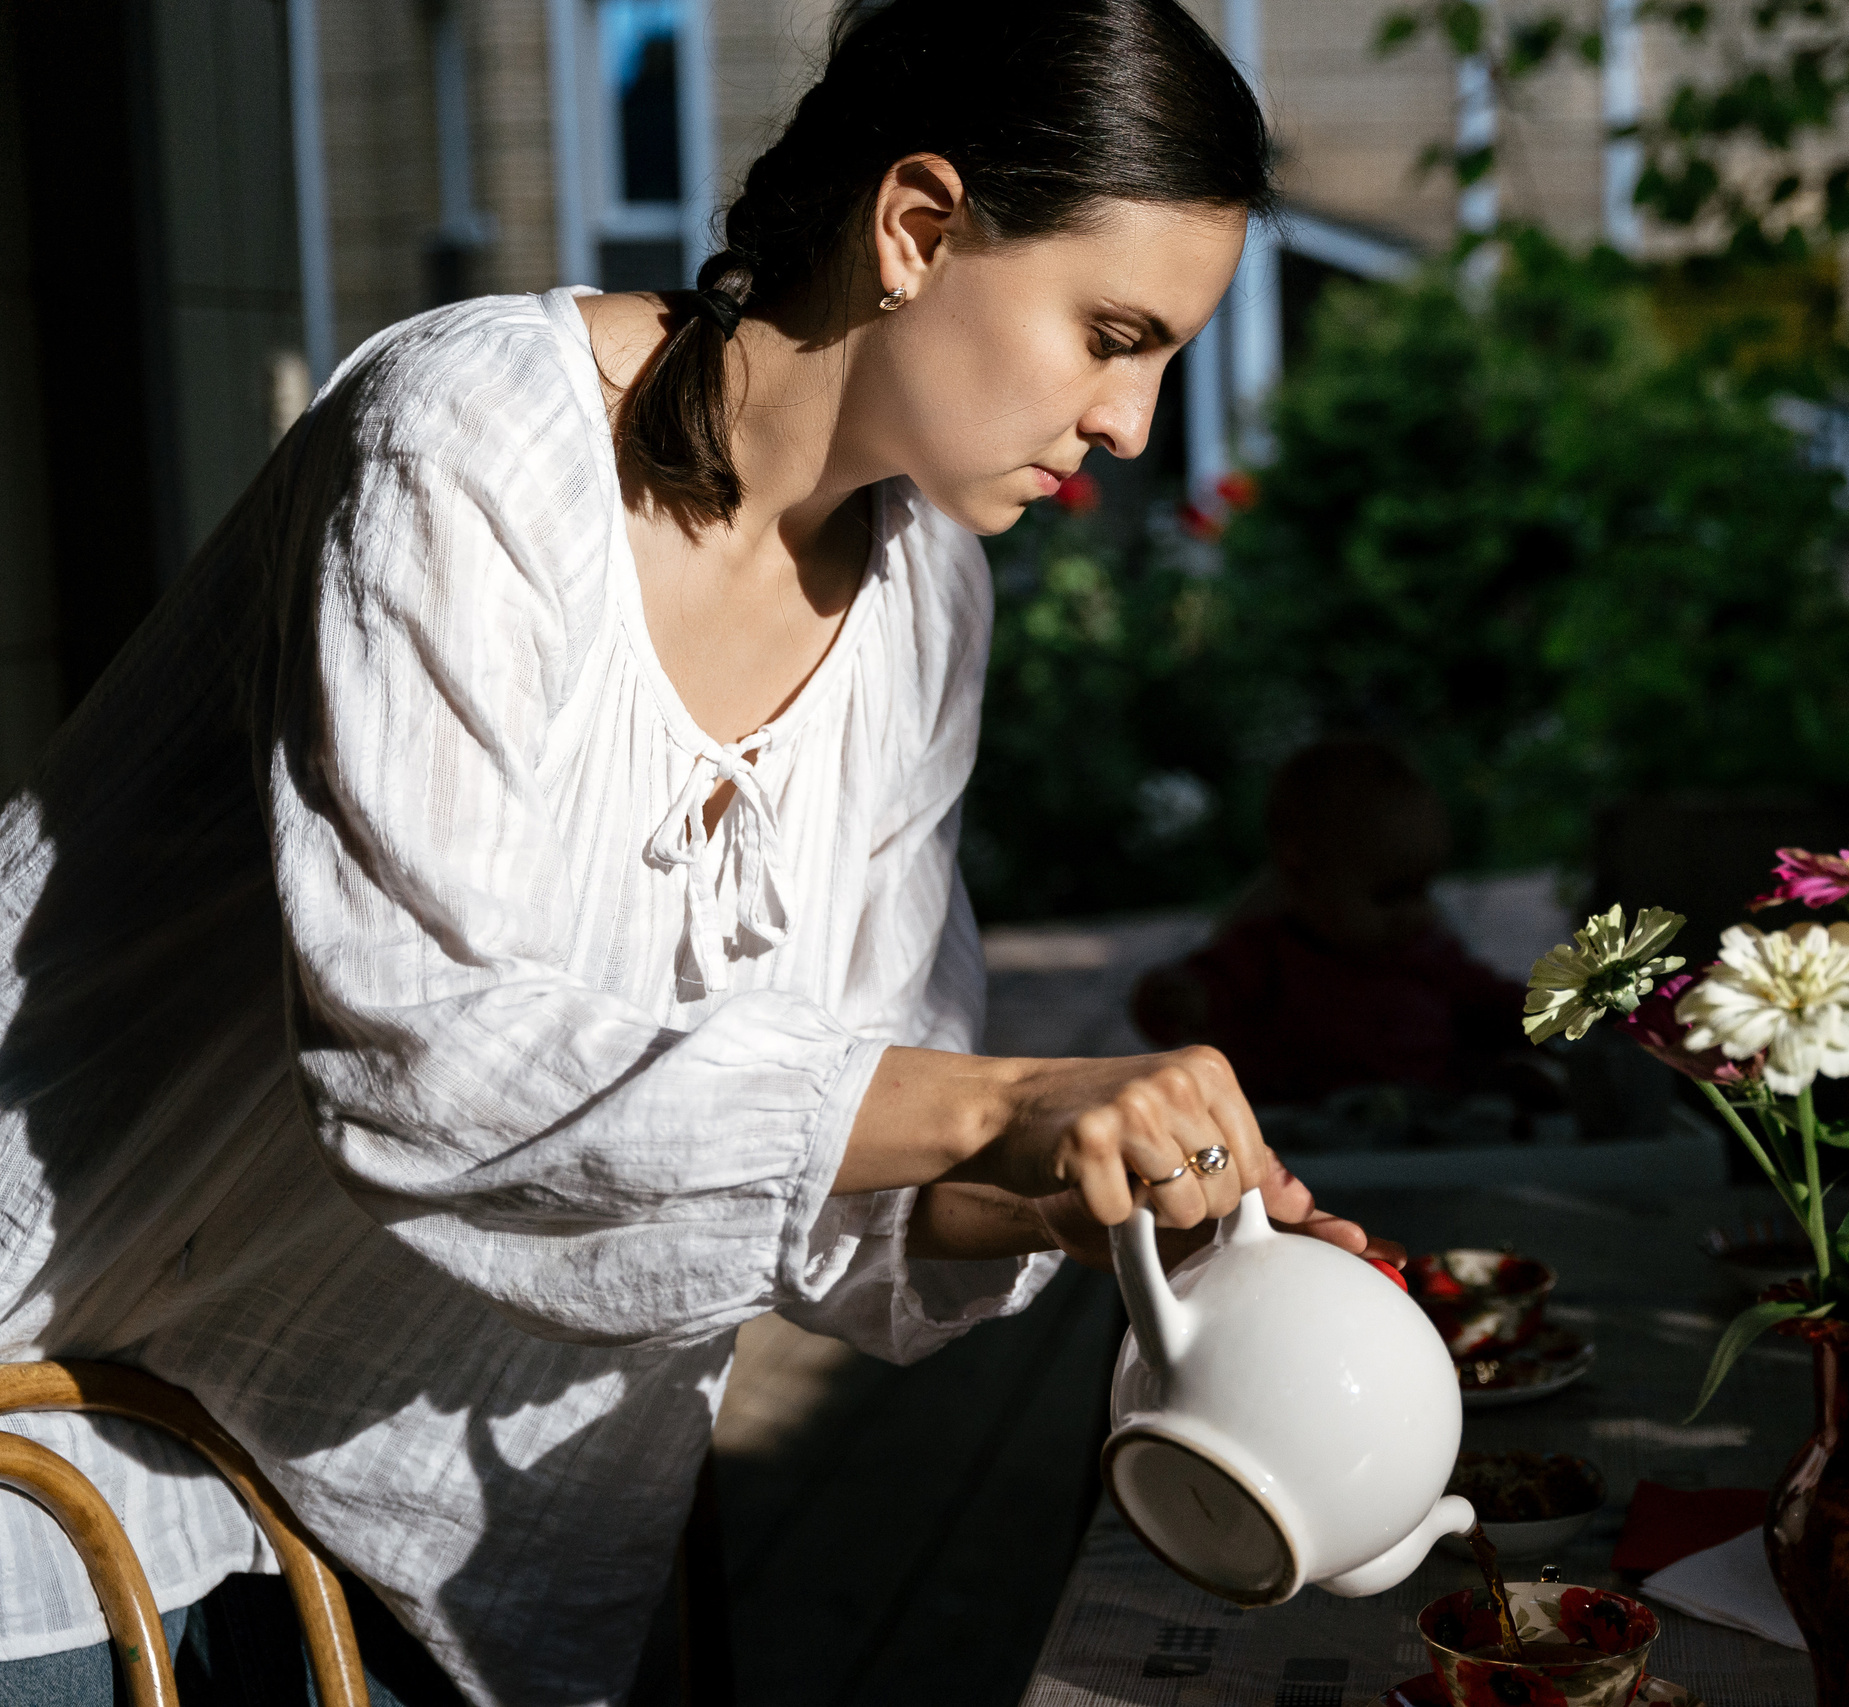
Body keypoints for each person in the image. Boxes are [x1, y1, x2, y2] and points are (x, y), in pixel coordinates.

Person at [0, 3, 1393, 1702]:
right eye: (1112, 333)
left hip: (419, 1484)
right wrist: (988, 1101)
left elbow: (828, 1188)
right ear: (918, 227)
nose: (1134, 424)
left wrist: (1086, 1199)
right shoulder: (471, 445)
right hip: (57, 1392)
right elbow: (423, 1062)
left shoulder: (921, 599)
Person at [1128, 737, 1554, 1125]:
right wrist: (1177, 998)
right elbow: (1197, 998)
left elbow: (1496, 1005)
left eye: (1423, 889)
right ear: (1302, 877)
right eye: (1389, 895)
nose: (1415, 912)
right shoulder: (1262, 956)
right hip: (1303, 1143)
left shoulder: (1428, 954)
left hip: (1430, 1126)